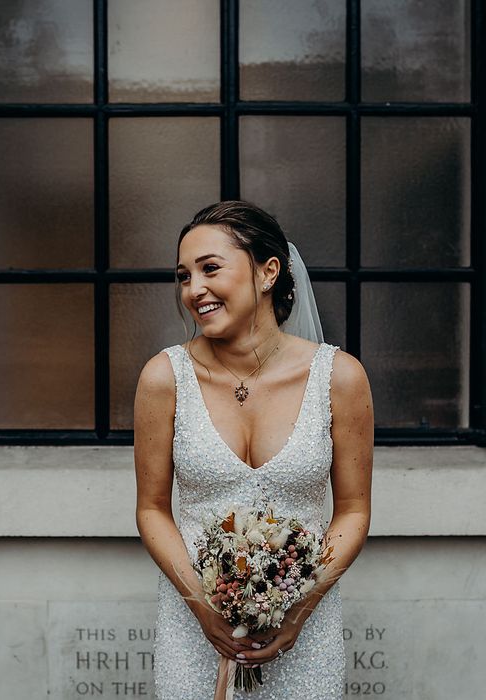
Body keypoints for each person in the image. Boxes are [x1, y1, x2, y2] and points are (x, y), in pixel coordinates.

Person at [133, 200, 373, 698]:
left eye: (210, 269)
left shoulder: (340, 377)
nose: (193, 289)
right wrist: (204, 608)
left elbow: (352, 509)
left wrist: (299, 609)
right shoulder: (164, 378)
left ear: (268, 272)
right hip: (194, 622)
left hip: (303, 626)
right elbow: (152, 509)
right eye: (183, 276)